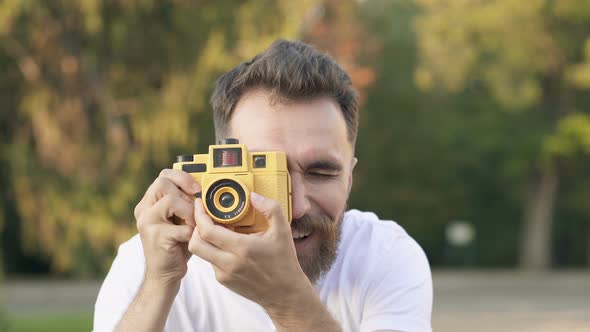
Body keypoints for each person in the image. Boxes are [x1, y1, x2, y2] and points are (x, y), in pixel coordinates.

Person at [94, 39, 432, 332]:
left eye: (321, 173)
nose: (295, 206)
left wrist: (287, 302)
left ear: (349, 177)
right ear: (217, 170)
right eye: (266, 172)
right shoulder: (152, 259)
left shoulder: (382, 254)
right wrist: (159, 283)